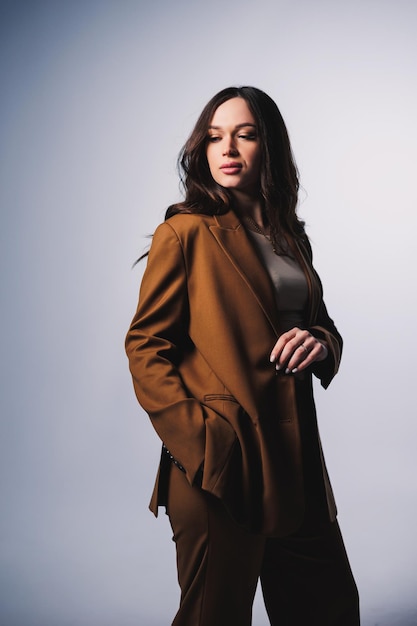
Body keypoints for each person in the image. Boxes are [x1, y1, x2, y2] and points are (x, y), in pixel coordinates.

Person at [125, 86, 360, 625]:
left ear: (269, 147)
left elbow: (319, 322)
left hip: (295, 462)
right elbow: (145, 346)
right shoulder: (184, 232)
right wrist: (206, 445)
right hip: (221, 469)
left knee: (330, 611)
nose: (227, 148)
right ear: (202, 151)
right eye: (214, 137)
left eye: (245, 134)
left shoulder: (288, 236)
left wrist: (321, 342)